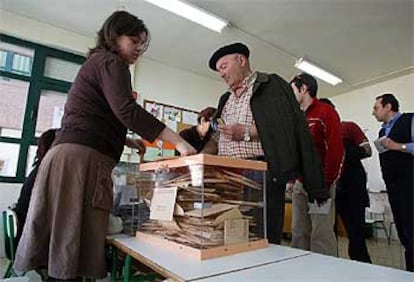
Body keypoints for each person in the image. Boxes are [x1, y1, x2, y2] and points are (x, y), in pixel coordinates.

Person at [13, 11, 196, 280]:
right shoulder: (111, 62)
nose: (138, 50)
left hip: (70, 156)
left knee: (63, 242)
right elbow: (126, 109)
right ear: (114, 36)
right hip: (80, 160)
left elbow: (97, 117)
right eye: (134, 41)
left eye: (141, 44)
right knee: (69, 245)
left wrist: (128, 139)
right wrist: (179, 141)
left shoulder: (97, 64)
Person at [203, 42, 327, 245]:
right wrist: (201, 155)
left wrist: (246, 133)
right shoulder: (225, 99)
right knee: (232, 235)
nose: (221, 74)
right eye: (218, 71)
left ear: (241, 60)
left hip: (259, 173)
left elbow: (285, 127)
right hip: (228, 175)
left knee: (260, 235)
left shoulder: (271, 86)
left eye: (224, 66)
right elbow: (216, 136)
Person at [289, 73, 344, 256]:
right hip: (300, 183)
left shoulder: (326, 112)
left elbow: (336, 151)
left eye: (292, 90)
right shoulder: (296, 118)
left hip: (321, 184)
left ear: (303, 89)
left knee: (321, 234)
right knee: (298, 232)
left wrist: (326, 184)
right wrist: (293, 179)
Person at [320, 98, 372, 263]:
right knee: (327, 231)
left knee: (355, 230)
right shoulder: (317, 134)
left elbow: (367, 150)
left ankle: (362, 266)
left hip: (352, 186)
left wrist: (341, 149)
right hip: (329, 186)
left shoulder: (349, 127)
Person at [372, 93, 413, 271]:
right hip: (393, 185)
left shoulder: (409, 120)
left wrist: (398, 146)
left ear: (388, 107)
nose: (373, 113)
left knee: (412, 227)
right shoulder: (382, 131)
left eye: (376, 108)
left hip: (410, 183)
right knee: (403, 229)